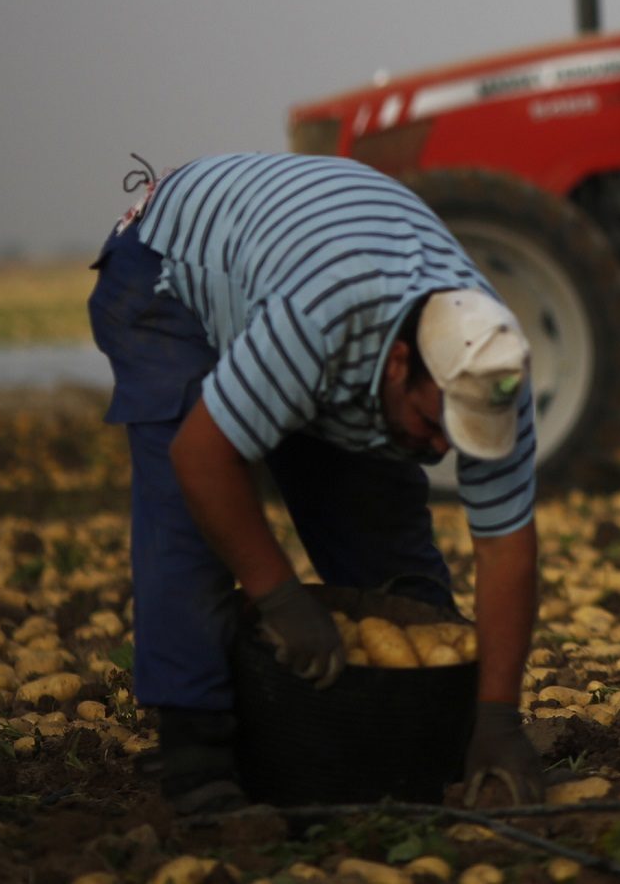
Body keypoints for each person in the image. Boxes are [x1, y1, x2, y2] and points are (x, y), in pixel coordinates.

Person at [86, 152, 546, 811]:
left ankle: (429, 729)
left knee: (378, 524)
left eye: (465, 435)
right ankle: (195, 752)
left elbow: (506, 547)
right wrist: (279, 596)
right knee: (189, 516)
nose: (445, 448)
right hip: (170, 265)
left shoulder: (495, 371)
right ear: (399, 364)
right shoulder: (321, 321)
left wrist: (498, 716)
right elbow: (201, 458)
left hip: (314, 270)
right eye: (434, 422)